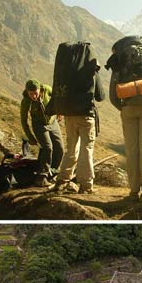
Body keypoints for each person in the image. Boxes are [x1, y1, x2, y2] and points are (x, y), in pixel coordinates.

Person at [107, 36, 142, 199]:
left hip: (128, 108)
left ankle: (133, 190)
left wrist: (123, 107)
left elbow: (112, 93)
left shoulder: (119, 60)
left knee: (131, 150)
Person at [51, 44, 105, 195]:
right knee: (86, 150)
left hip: (69, 115)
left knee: (71, 148)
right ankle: (86, 185)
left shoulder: (67, 69)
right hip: (86, 116)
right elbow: (101, 96)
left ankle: (62, 180)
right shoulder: (90, 69)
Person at [20, 79, 63, 187]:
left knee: (60, 148)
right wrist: (30, 137)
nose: (34, 96)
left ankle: (52, 173)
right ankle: (41, 177)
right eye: (31, 94)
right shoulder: (26, 101)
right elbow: (24, 121)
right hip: (39, 126)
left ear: (40, 90)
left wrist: (59, 111)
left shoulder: (47, 89)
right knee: (48, 147)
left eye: (36, 93)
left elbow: (57, 98)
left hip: (52, 123)